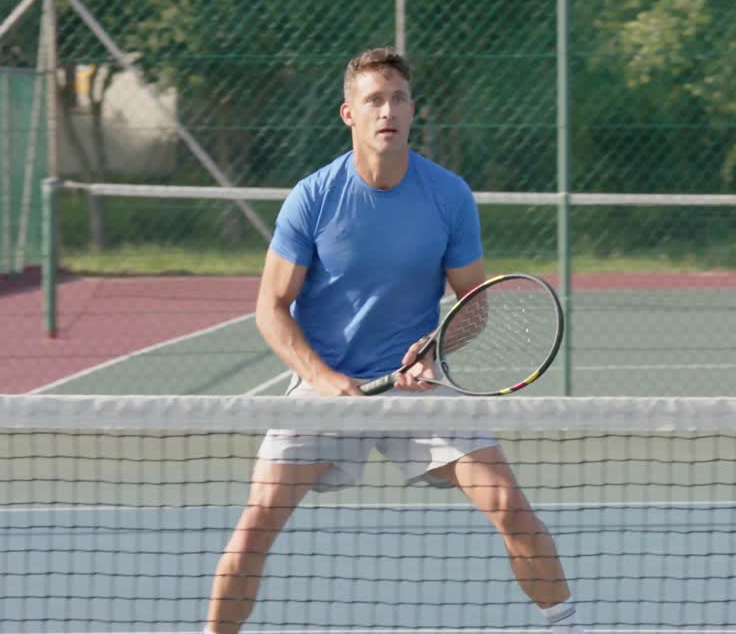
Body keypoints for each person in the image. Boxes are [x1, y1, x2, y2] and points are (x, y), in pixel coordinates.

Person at [204, 47, 583, 634]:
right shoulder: (313, 197)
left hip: (417, 390)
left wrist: (434, 352)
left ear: (412, 111)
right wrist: (325, 381)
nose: (388, 110)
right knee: (255, 525)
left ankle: (569, 625)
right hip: (328, 388)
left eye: (398, 98)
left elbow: (473, 305)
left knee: (511, 508)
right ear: (348, 113)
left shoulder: (448, 195)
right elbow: (270, 309)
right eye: (374, 100)